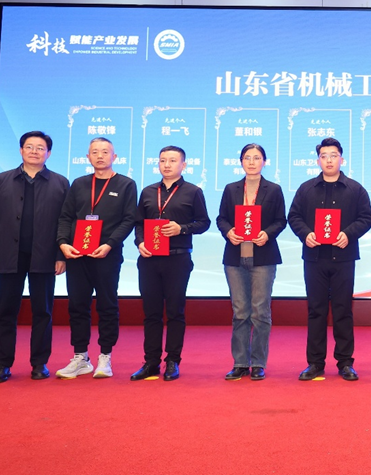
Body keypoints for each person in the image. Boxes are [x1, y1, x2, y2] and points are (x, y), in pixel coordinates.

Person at [0, 131, 69, 383]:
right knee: (5, 312)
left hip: (45, 256)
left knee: (43, 312)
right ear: (21, 150)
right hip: (9, 256)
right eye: (29, 147)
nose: (34, 151)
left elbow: (65, 223)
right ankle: (1, 364)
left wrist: (61, 255)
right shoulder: (2, 180)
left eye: (40, 148)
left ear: (48, 153)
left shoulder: (60, 183)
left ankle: (39, 363)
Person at [288, 137, 371, 381]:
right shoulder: (306, 189)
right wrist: (306, 234)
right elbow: (293, 216)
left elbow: (366, 218)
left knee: (342, 310)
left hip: (343, 257)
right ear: (318, 161)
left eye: (333, 155)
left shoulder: (355, 189)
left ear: (341, 159)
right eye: (324, 156)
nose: (329, 160)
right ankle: (315, 363)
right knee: (315, 310)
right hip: (314, 258)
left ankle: (345, 362)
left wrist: (349, 234)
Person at [55, 137, 137, 379]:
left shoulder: (126, 184)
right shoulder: (79, 184)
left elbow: (129, 219)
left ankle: (105, 356)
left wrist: (110, 244)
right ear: (88, 157)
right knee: (77, 305)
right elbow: (65, 217)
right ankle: (80, 357)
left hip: (106, 255)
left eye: (105, 152)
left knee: (107, 305)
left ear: (115, 157)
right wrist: (63, 243)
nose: (100, 156)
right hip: (77, 254)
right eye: (95, 152)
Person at [130, 146, 210, 382]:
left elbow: (204, 223)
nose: (166, 164)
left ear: (183, 165)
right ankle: (151, 362)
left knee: (175, 311)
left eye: (173, 160)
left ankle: (173, 360)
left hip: (178, 258)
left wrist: (181, 229)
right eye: (163, 160)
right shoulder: (148, 191)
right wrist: (140, 242)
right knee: (151, 312)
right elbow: (138, 223)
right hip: (149, 259)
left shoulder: (193, 191)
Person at [216, 144, 287, 381]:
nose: (252, 162)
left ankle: (258, 362)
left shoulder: (273, 189)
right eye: (247, 158)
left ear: (264, 162)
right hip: (235, 257)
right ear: (241, 162)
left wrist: (267, 233)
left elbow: (281, 220)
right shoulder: (231, 189)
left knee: (260, 311)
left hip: (263, 257)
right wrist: (229, 232)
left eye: (257, 158)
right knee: (240, 312)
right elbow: (221, 218)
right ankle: (239, 363)